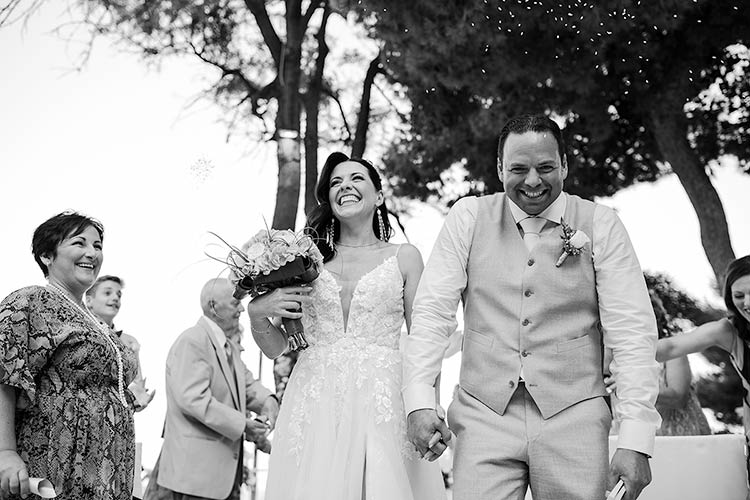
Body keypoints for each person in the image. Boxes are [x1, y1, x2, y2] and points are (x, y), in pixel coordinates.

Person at [403, 114, 661, 500]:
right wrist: (419, 402)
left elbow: (632, 332)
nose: (533, 181)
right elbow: (432, 313)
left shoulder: (601, 224)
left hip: (576, 414)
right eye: (519, 169)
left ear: (565, 166)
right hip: (483, 412)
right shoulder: (469, 217)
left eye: (545, 167)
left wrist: (636, 438)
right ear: (499, 168)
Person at [248, 152, 445, 500]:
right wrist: (257, 312)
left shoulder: (405, 257)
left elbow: (424, 342)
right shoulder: (306, 262)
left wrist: (430, 407)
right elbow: (276, 346)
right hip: (315, 403)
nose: (345, 187)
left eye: (356, 179)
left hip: (383, 403)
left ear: (379, 196)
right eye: (336, 182)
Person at [0, 211, 138, 500]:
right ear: (47, 255)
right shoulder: (30, 301)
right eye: (80, 243)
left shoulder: (97, 322)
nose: (92, 253)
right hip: (55, 465)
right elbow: (4, 377)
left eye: (98, 246)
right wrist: (5, 452)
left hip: (105, 471)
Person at [143, 278, 279, 500]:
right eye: (236, 303)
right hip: (194, 479)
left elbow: (247, 384)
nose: (242, 309)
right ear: (213, 306)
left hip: (220, 478)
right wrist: (244, 425)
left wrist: (269, 400)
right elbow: (194, 400)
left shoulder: (228, 346)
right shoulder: (192, 340)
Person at [655, 256, 750, 471]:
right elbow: (670, 348)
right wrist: (618, 355)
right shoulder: (730, 331)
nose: (748, 303)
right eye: (739, 295)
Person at [605, 291, 711, 436]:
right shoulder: (613, 355)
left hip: (676, 438)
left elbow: (678, 398)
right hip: (629, 437)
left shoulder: (671, 351)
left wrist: (634, 385)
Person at [86, 275, 155, 411]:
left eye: (119, 295)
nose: (115, 298)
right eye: (107, 293)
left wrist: (138, 397)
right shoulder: (80, 335)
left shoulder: (129, 342)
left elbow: (136, 384)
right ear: (89, 301)